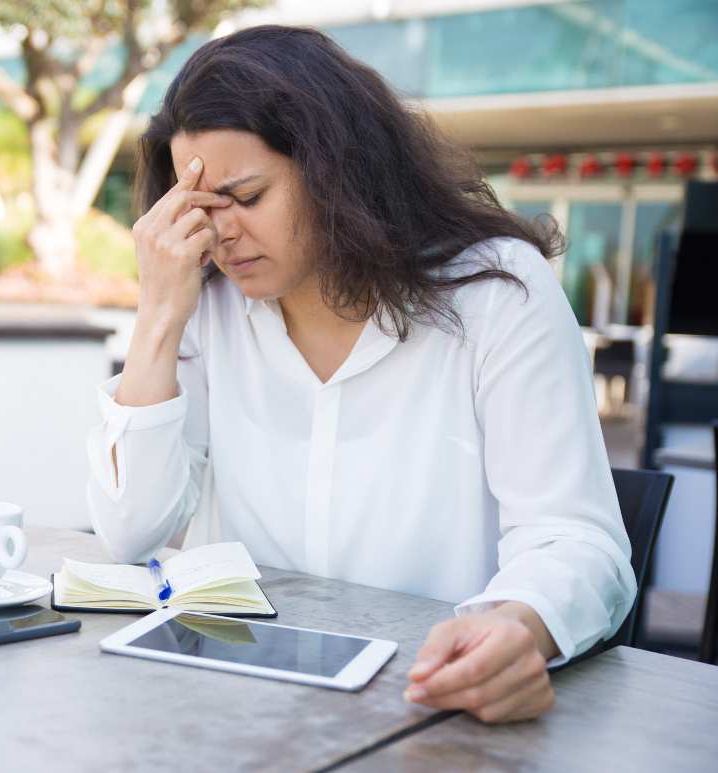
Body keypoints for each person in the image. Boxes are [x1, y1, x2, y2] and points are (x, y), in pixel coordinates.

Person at [85, 25, 635, 724]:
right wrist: (159, 314)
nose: (220, 235)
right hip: (239, 710)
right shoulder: (206, 306)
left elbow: (577, 540)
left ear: (334, 168)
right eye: (199, 209)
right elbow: (131, 531)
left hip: (432, 707)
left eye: (246, 196)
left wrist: (519, 624)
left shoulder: (496, 294)